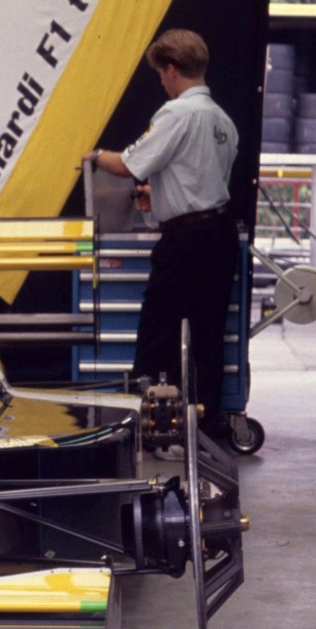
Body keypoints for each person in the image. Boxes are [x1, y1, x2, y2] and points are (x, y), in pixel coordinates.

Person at [88, 28, 240, 444]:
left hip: (186, 241)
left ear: (171, 70)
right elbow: (200, 179)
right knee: (207, 334)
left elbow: (128, 165)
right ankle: (207, 425)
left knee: (157, 330)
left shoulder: (176, 114)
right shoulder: (222, 120)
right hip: (219, 235)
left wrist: (95, 155)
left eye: (160, 74)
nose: (161, 81)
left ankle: (143, 422)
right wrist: (162, 193)